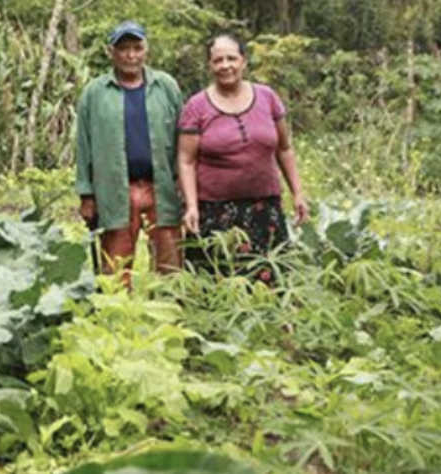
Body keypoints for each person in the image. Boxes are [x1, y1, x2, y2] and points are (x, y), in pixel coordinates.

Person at [177, 34, 308, 275]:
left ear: (243, 62)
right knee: (217, 283)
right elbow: (186, 161)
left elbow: (284, 148)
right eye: (218, 60)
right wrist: (191, 206)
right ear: (209, 65)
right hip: (214, 213)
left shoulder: (267, 98)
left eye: (231, 58)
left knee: (268, 282)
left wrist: (298, 193)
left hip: (265, 208)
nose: (225, 65)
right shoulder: (196, 107)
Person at [75, 21, 183, 283]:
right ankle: (116, 319)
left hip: (162, 189)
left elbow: (184, 138)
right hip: (114, 190)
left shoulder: (166, 86)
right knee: (114, 268)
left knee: (170, 263)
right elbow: (83, 145)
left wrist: (185, 184)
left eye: (137, 47)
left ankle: (170, 313)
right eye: (123, 48)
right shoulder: (94, 93)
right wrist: (86, 195)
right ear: (111, 52)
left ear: (146, 50)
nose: (131, 55)